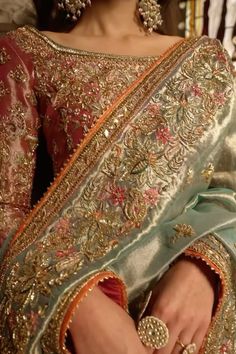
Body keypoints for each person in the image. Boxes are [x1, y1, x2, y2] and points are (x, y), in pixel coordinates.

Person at [0, 1, 235, 353]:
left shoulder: (204, 62)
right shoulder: (28, 52)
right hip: (82, 321)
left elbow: (228, 190)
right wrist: (76, 304)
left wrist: (204, 269)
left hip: (190, 326)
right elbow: (5, 211)